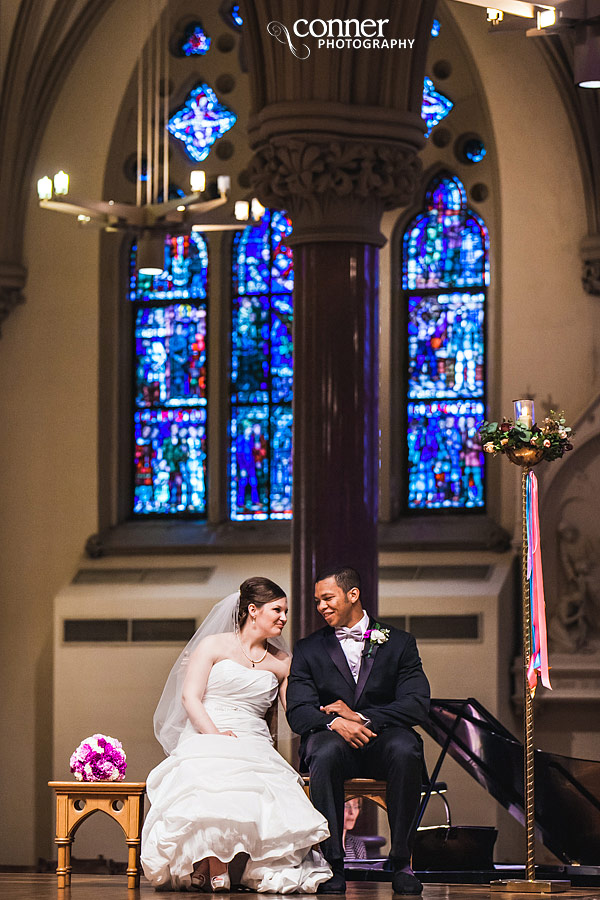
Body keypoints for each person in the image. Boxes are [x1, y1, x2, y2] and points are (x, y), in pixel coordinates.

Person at [141, 578, 331, 893]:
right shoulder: (213, 645)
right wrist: (215, 736)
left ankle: (215, 867)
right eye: (277, 610)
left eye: (285, 611)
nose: (284, 617)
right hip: (207, 730)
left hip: (254, 739)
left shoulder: (282, 662)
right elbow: (190, 698)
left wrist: (325, 713)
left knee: (261, 787)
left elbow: (294, 710)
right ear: (252, 611)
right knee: (215, 775)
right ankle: (212, 865)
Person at [286, 566, 430, 895]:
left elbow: (417, 703)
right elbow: (298, 711)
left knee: (406, 748)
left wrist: (361, 717)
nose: (321, 606)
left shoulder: (400, 643)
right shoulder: (308, 648)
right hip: (333, 740)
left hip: (383, 738)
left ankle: (402, 863)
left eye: (327, 598)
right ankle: (333, 864)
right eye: (317, 601)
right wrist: (336, 722)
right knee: (323, 751)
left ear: (353, 595)